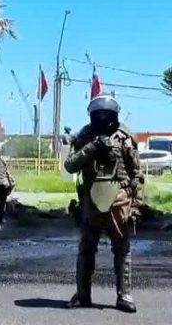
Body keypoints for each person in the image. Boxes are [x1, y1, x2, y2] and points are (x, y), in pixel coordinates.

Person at [64, 95, 143, 313]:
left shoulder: (125, 138)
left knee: (123, 250)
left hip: (119, 202)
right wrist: (92, 148)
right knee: (86, 250)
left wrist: (136, 206)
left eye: (106, 114)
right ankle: (82, 295)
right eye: (98, 114)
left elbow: (137, 176)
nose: (102, 118)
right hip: (91, 201)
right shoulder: (85, 136)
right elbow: (70, 166)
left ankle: (125, 296)